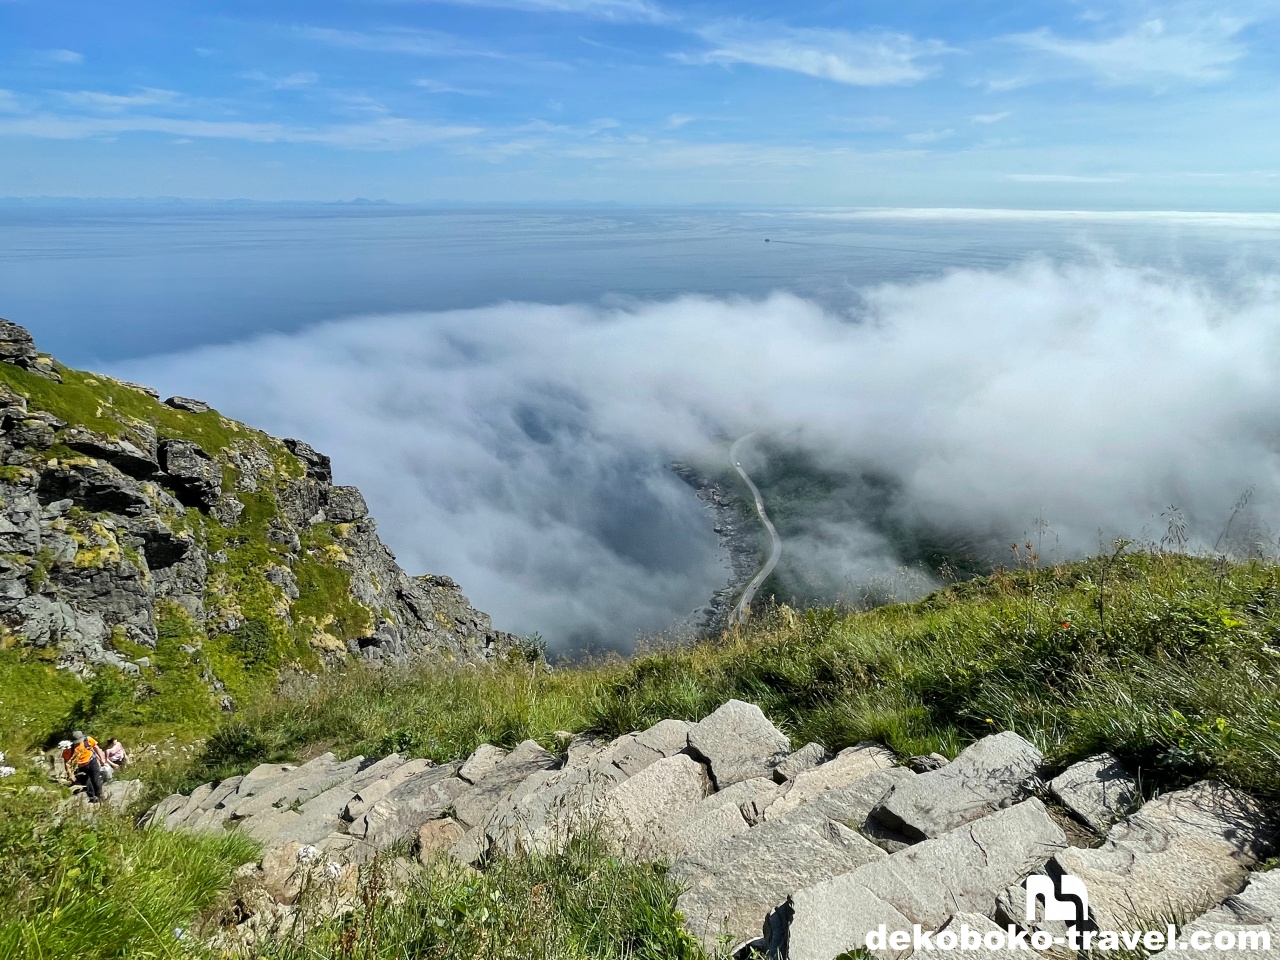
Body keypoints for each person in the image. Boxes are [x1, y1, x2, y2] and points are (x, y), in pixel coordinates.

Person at [61, 730, 107, 803]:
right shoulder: (68, 748)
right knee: (87, 782)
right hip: (79, 766)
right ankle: (92, 797)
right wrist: (70, 774)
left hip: (92, 761)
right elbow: (67, 762)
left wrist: (102, 758)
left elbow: (96, 747)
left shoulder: (88, 740)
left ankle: (100, 795)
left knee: (96, 779)